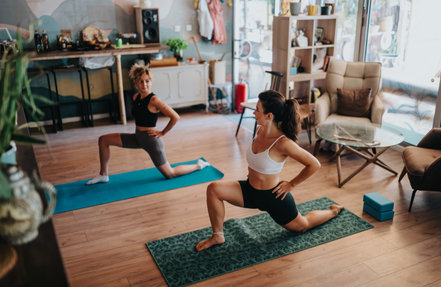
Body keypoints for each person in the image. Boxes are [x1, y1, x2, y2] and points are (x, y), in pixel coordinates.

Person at [195, 90, 343, 251]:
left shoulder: (283, 143)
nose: (253, 112)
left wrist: (292, 184)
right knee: (214, 189)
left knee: (303, 226)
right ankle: (218, 236)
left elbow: (314, 164)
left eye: (257, 109)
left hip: (273, 197)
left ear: (269, 116)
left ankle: (333, 212)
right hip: (249, 191)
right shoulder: (259, 131)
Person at [86, 64, 209, 185]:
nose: (144, 84)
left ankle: (198, 165)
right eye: (140, 81)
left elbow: (175, 117)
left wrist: (162, 132)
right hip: (137, 137)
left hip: (151, 141)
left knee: (170, 174)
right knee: (103, 140)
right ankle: (103, 175)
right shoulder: (136, 97)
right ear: (136, 83)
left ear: (151, 82)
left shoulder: (154, 100)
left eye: (147, 81)